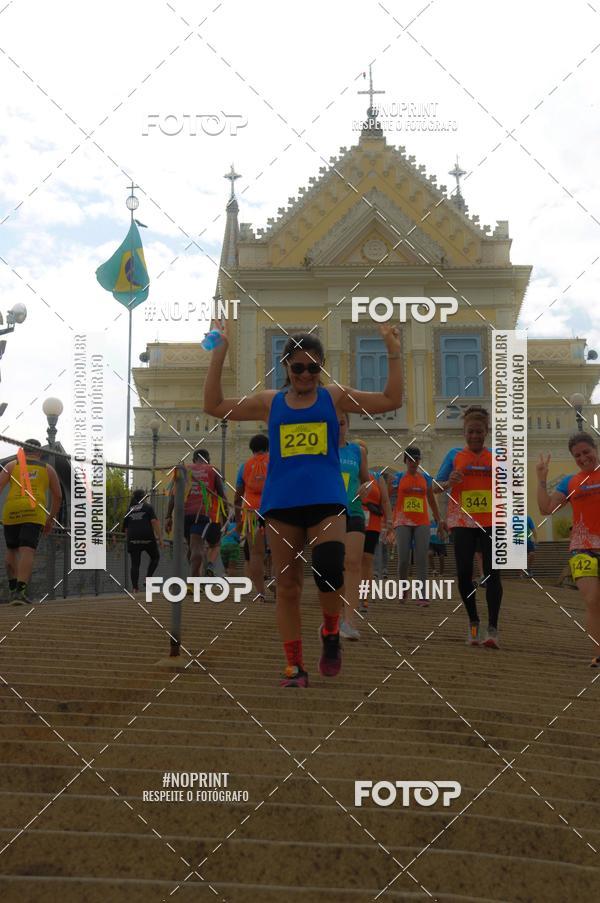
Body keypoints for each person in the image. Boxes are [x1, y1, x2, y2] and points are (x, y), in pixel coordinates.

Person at [204, 321, 402, 688]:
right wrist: (220, 354)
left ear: (322, 368)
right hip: (282, 503)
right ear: (286, 368)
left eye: (313, 367)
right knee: (290, 585)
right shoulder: (270, 402)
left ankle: (329, 631)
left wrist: (392, 351)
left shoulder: (334, 397)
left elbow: (391, 400)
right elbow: (214, 405)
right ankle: (294, 665)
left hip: (327, 499)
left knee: (330, 569)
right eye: (298, 367)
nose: (306, 374)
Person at [435, 406, 502, 647]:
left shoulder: (496, 456)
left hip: (491, 521)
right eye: (471, 431)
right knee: (464, 573)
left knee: (493, 573)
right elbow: (434, 487)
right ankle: (473, 621)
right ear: (464, 431)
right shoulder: (454, 455)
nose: (475, 435)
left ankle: (492, 629)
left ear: (487, 431)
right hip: (461, 521)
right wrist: (448, 482)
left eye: (479, 431)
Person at [537, 434, 600, 666]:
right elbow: (546, 509)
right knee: (592, 600)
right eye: (577, 455)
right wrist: (541, 479)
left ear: (595, 448)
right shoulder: (571, 483)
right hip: (582, 548)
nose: (583, 458)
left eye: (586, 452)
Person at [1, 440, 62, 605]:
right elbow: (58, 496)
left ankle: (12, 589)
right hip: (33, 512)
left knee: (11, 550)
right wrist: (51, 519)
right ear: (40, 453)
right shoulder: (48, 469)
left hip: (11, 511)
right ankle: (20, 592)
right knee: (27, 550)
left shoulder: (12, 465)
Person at [165, 449, 228, 582]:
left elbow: (173, 495)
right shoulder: (213, 470)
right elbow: (222, 496)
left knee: (192, 547)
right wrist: (226, 517)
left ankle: (197, 578)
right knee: (198, 547)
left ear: (193, 459)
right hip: (203, 514)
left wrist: (168, 517)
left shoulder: (184, 469)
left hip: (183, 516)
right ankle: (194, 581)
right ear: (208, 459)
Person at [393, 447, 443, 606]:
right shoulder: (399, 477)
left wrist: (438, 519)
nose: (414, 462)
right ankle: (403, 588)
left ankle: (422, 594)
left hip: (422, 521)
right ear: (405, 461)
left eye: (417, 459)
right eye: (410, 459)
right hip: (402, 521)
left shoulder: (426, 479)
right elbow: (387, 497)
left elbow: (431, 500)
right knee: (403, 560)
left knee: (422, 558)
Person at [338, 416, 369, 639]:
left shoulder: (358, 451)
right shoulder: (321, 451)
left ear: (348, 425)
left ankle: (349, 621)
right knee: (332, 565)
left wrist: (366, 488)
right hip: (329, 513)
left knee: (353, 563)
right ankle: (333, 615)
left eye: (342, 423)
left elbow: (366, 479)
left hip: (354, 512)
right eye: (334, 422)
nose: (339, 427)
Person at [235, 434, 270, 602]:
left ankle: (260, 593)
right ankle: (279, 586)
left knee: (256, 554)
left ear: (251, 449)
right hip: (273, 511)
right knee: (279, 551)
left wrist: (238, 520)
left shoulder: (244, 466)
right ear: (268, 447)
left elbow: (237, 497)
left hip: (250, 514)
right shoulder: (275, 462)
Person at [360, 463, 393, 612]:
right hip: (353, 518)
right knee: (351, 559)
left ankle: (365, 597)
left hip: (372, 521)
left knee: (367, 559)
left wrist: (389, 520)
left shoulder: (377, 477)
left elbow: (385, 501)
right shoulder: (352, 472)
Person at [123, 489, 163, 596]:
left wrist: (130, 541)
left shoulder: (129, 510)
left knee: (135, 564)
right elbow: (154, 522)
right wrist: (160, 538)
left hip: (133, 538)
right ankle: (148, 579)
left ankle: (135, 589)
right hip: (147, 536)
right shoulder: (148, 507)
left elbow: (126, 529)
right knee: (155, 557)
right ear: (143, 497)